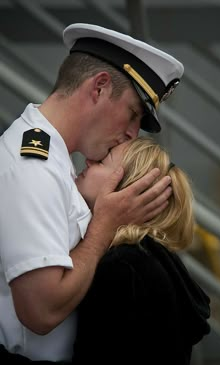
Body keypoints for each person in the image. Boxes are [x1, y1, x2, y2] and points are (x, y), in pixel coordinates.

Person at [0, 23, 184, 361]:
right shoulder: (33, 166)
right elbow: (40, 312)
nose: (131, 134)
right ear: (99, 88)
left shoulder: (54, 159)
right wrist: (104, 228)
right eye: (132, 114)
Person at [0, 136, 211, 364]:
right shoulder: (150, 259)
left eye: (102, 161)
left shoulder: (123, 269)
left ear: (127, 190)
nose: (89, 161)